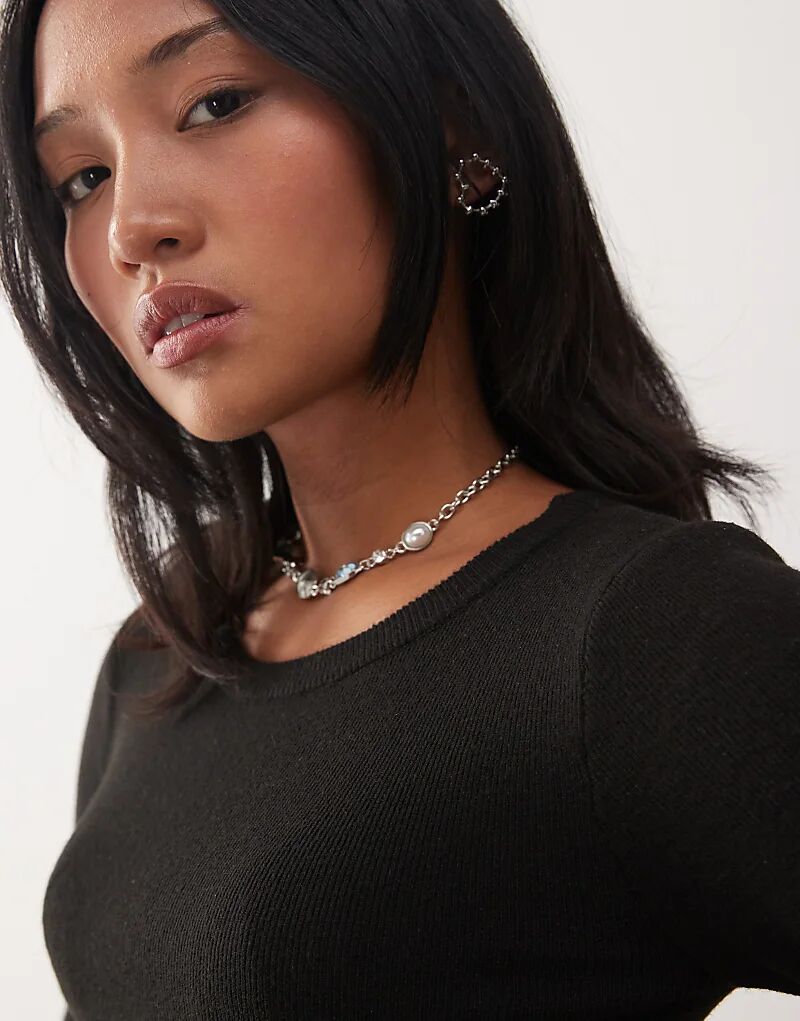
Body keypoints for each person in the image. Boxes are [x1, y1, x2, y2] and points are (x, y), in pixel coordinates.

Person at [2, 0, 797, 1017]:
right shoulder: (164, 655)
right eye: (82, 178)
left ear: (450, 118)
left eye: (216, 103)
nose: (130, 229)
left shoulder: (651, 633)